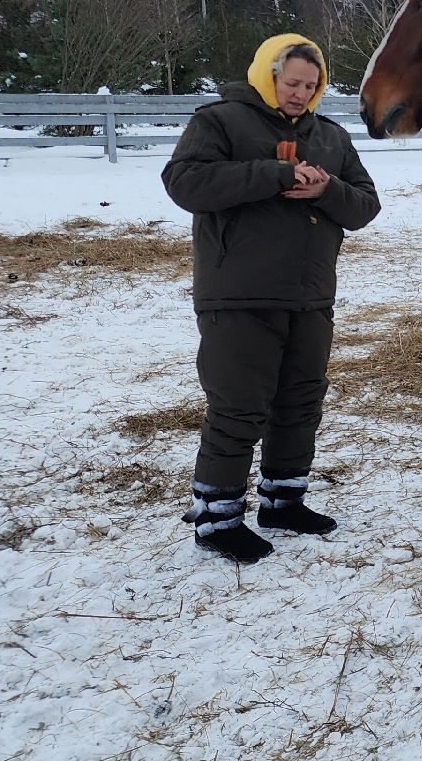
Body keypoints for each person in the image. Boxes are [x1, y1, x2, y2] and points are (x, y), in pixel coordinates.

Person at [162, 34, 381, 563]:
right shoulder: (220, 121)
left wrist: (326, 190)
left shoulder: (329, 136)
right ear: (268, 75)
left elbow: (365, 206)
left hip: (309, 295)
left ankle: (283, 500)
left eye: (312, 84)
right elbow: (184, 182)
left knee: (300, 402)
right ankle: (216, 520)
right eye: (292, 83)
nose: (301, 93)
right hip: (238, 293)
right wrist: (275, 174)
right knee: (238, 407)